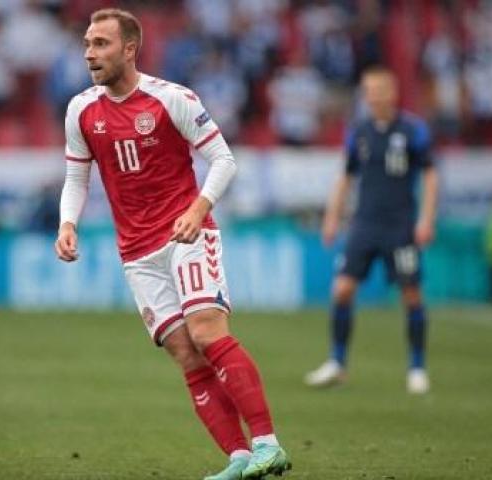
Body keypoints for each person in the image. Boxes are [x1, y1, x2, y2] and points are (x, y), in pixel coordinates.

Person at [54, 8, 290, 480]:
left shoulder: (170, 99)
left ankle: (268, 443)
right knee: (185, 351)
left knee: (206, 331)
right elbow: (76, 178)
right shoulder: (81, 109)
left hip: (185, 231)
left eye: (100, 44)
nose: (89, 53)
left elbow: (223, 160)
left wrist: (198, 210)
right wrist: (67, 223)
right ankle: (240, 457)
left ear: (129, 49)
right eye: (86, 43)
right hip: (137, 253)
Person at [305, 67, 439, 395]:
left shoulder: (412, 130)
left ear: (392, 93)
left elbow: (430, 175)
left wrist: (426, 220)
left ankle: (417, 367)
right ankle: (337, 362)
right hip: (365, 223)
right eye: (368, 90)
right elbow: (346, 177)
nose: (373, 96)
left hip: (400, 225)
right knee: (342, 290)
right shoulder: (359, 131)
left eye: (378, 90)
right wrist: (332, 218)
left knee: (411, 295)